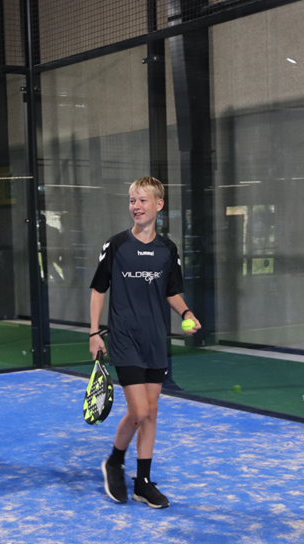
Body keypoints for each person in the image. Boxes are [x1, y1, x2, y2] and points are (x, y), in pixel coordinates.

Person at [89, 177, 201, 509]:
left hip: (155, 339)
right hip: (124, 338)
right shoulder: (116, 245)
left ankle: (142, 483)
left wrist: (187, 312)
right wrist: (94, 333)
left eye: (142, 200)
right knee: (138, 411)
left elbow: (171, 291)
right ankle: (114, 461)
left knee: (151, 412)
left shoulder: (168, 249)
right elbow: (98, 289)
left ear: (159, 205)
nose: (136, 206)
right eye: (132, 201)